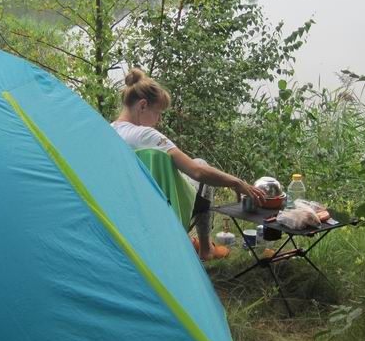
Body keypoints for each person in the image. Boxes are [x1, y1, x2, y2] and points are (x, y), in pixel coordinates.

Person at [112, 68, 266, 261]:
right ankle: (205, 248)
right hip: (160, 205)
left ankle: (200, 245)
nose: (158, 121)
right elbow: (197, 172)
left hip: (128, 206)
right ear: (143, 106)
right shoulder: (145, 135)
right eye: (158, 113)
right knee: (201, 163)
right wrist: (236, 182)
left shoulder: (109, 132)